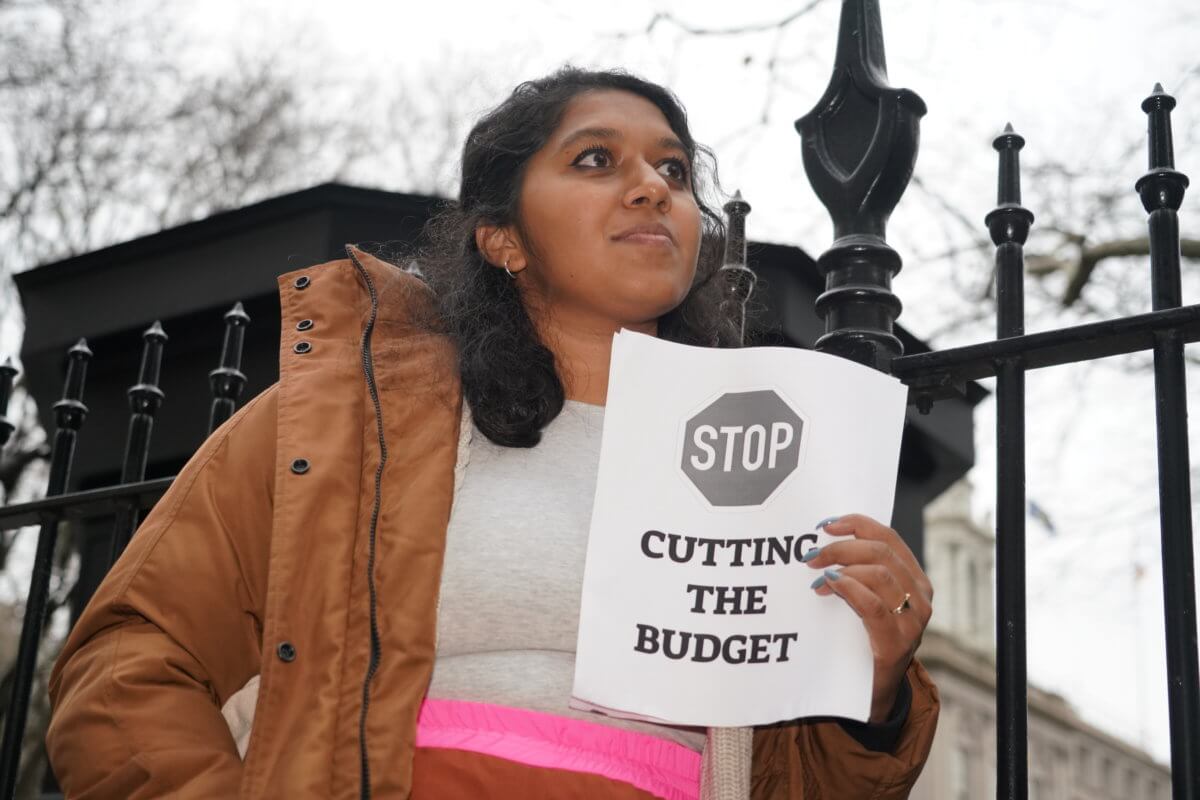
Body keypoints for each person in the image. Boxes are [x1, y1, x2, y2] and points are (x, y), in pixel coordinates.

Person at [46, 67, 938, 799]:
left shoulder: (780, 470)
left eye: (675, 172)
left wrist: (879, 692)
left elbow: (814, 784)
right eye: (597, 160)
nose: (653, 188)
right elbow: (127, 667)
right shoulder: (346, 423)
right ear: (503, 238)